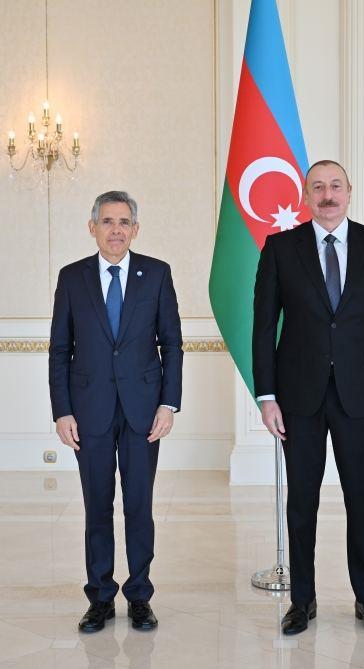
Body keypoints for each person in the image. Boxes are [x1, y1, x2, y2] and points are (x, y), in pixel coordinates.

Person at [252, 160, 364, 636]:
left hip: (362, 397)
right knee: (301, 502)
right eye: (318, 187)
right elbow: (263, 327)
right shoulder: (280, 248)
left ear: (349, 191)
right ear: (305, 196)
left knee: (362, 500)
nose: (327, 195)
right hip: (297, 398)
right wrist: (267, 396)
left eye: (335, 186)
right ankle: (302, 601)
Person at [49, 191, 183, 632]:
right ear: (92, 227)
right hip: (89, 411)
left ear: (136, 229)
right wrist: (63, 411)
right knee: (97, 507)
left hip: (144, 412)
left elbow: (172, 344)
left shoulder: (156, 274)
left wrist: (168, 403)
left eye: (124, 222)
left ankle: (139, 596)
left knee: (139, 505)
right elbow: (60, 349)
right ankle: (100, 597)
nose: (116, 230)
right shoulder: (72, 278)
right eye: (107, 221)